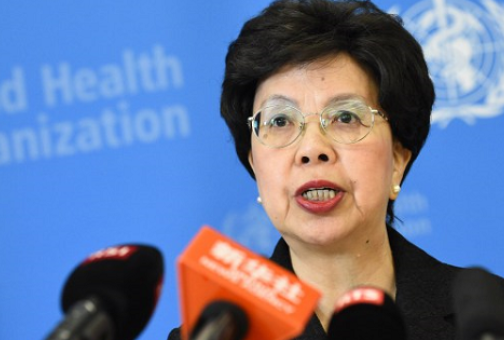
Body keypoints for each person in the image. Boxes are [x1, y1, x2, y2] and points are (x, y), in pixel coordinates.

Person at [168, 0, 503, 339]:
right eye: (280, 120)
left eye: (345, 117)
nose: (313, 149)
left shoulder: (490, 321)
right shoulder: (216, 334)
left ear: (398, 160)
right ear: (255, 163)